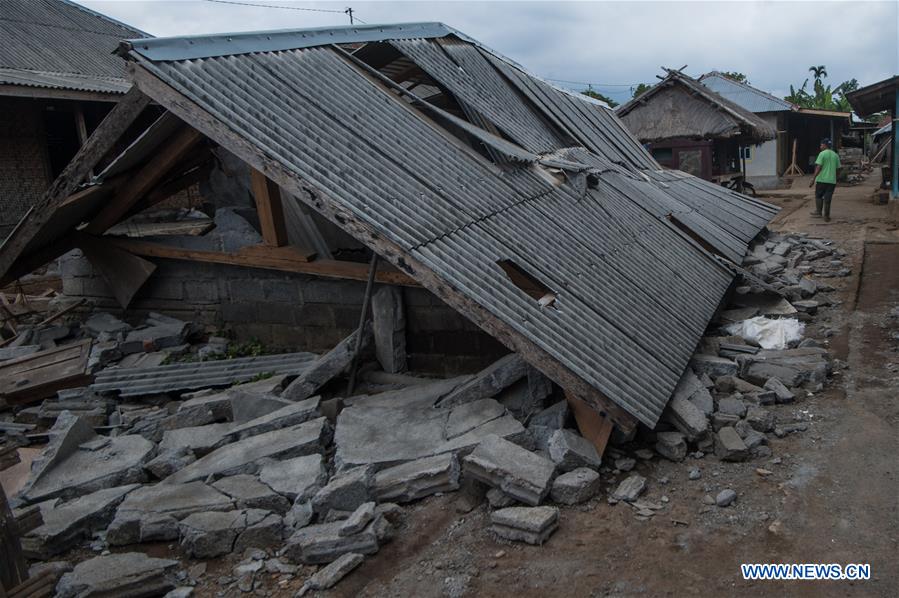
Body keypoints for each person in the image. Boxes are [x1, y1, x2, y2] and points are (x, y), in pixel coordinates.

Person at [808, 138, 841, 222]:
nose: (820, 146)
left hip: (821, 180)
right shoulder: (835, 155)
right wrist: (836, 178)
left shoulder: (822, 154)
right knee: (828, 198)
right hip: (831, 181)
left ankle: (818, 212)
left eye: (821, 145)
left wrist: (813, 178)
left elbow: (818, 167)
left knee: (818, 195)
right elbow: (838, 169)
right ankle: (826, 216)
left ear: (825, 145)